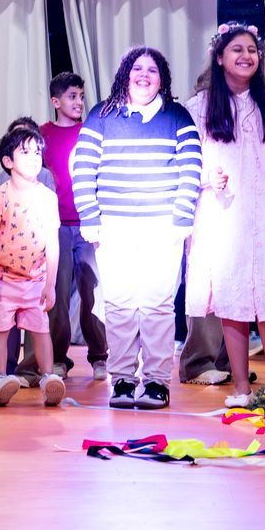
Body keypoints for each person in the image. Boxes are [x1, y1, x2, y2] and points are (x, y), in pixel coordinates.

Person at [72, 46, 202, 411]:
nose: (144, 75)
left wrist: (181, 218)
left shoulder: (178, 116)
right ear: (125, 74)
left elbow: (191, 168)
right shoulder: (102, 115)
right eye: (137, 69)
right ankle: (124, 378)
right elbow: (83, 168)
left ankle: (157, 382)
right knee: (119, 305)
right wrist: (90, 218)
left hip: (162, 226)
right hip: (114, 226)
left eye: (153, 70)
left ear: (163, 78)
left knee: (159, 306)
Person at [184, 24, 265, 410]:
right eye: (237, 49)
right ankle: (240, 388)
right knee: (232, 299)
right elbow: (185, 161)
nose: (246, 56)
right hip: (224, 210)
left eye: (252, 50)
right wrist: (204, 177)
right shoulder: (198, 107)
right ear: (219, 58)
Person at [0, 124, 64, 408]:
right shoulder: (0, 197)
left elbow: (52, 243)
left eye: (37, 152)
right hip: (4, 279)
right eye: (25, 152)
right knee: (1, 330)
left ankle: (48, 377)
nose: (33, 157)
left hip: (35, 280)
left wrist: (50, 284)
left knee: (41, 330)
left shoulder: (47, 197)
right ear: (8, 161)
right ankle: (0, 377)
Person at [38, 73, 107, 379]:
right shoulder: (41, 136)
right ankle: (57, 358)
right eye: (71, 97)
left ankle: (100, 356)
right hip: (56, 226)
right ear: (56, 102)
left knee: (93, 292)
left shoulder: (91, 133)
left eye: (80, 96)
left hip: (89, 223)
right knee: (58, 295)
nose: (78, 102)